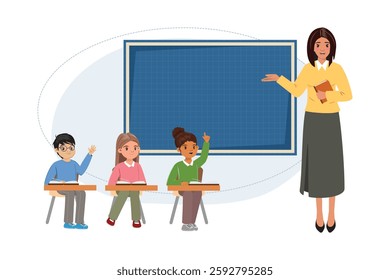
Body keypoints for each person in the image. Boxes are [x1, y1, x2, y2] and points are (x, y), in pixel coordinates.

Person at [262, 27, 352, 233]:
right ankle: (319, 214)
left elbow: (347, 94)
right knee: (318, 168)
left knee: (332, 168)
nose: (322, 48)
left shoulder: (336, 69)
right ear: (312, 47)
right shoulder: (308, 70)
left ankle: (332, 214)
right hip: (313, 120)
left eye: (326, 45)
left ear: (332, 47)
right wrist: (280, 79)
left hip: (331, 121)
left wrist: (327, 96)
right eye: (318, 44)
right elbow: (296, 90)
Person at [44, 133, 96, 229]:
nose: (68, 151)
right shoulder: (56, 165)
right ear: (57, 150)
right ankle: (67, 222)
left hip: (73, 187)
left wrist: (89, 155)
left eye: (71, 148)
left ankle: (80, 222)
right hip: (60, 188)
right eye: (64, 148)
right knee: (70, 192)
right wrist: (60, 182)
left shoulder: (74, 164)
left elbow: (81, 171)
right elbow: (47, 181)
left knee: (81, 193)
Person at [167, 127, 210, 231]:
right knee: (188, 194)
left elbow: (204, 157)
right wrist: (181, 182)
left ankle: (192, 222)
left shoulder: (196, 164)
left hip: (195, 188)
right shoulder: (178, 166)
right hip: (182, 189)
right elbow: (170, 182)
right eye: (186, 147)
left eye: (194, 147)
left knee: (197, 193)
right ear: (179, 150)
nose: (191, 150)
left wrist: (206, 143)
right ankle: (186, 223)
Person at [106, 133, 146, 228]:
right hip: (120, 190)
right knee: (123, 193)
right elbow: (112, 181)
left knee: (134, 194)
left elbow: (142, 180)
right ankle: (112, 217)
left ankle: (136, 219)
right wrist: (112, 188)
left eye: (135, 148)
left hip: (134, 190)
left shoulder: (138, 166)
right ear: (120, 150)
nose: (132, 151)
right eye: (127, 148)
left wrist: (141, 185)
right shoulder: (119, 167)